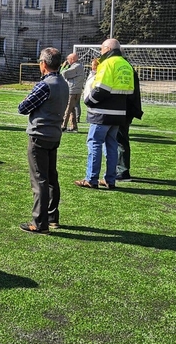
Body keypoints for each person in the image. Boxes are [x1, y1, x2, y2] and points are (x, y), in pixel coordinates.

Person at [17, 47, 69, 234]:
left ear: (44, 64)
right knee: (51, 177)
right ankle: (52, 217)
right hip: (54, 134)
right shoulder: (63, 83)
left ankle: (40, 223)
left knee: (39, 179)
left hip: (39, 135)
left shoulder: (45, 84)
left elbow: (23, 108)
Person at [76, 38, 135, 190]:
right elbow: (130, 91)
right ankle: (110, 179)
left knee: (95, 143)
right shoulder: (126, 65)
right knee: (112, 146)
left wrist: (89, 100)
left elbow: (101, 89)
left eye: (102, 49)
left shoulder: (107, 63)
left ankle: (91, 179)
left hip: (102, 113)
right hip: (119, 113)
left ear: (108, 49)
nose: (100, 52)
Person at [60, 52, 84, 133]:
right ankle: (74, 126)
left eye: (68, 59)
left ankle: (63, 126)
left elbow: (63, 73)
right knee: (72, 109)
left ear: (72, 59)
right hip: (75, 90)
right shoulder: (77, 66)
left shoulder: (76, 66)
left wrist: (64, 66)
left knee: (67, 108)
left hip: (73, 91)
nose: (67, 61)